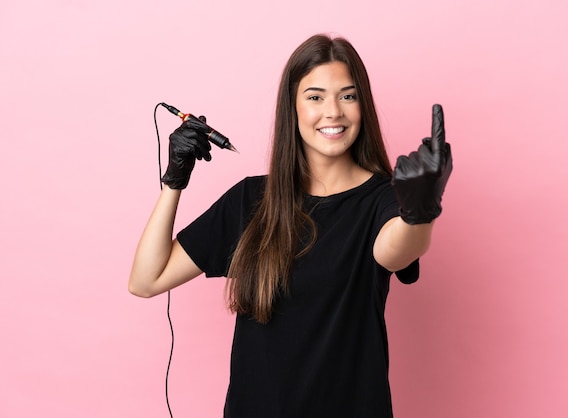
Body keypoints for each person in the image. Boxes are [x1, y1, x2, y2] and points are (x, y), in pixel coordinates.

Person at [129, 33, 452, 417]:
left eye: (347, 96)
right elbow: (146, 280)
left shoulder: (383, 197)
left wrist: (421, 210)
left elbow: (396, 251)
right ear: (293, 108)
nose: (333, 111)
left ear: (362, 106)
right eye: (315, 97)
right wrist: (174, 180)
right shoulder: (252, 199)